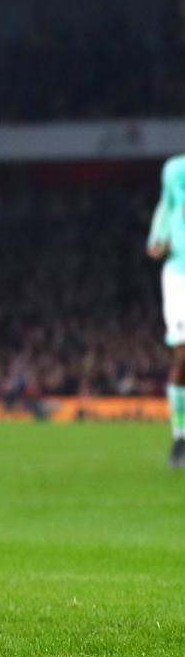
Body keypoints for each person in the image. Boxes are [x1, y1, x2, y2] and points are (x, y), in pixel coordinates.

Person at [148, 153, 185, 469]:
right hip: (179, 277)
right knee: (182, 353)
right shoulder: (175, 172)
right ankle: (179, 435)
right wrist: (162, 242)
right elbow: (155, 247)